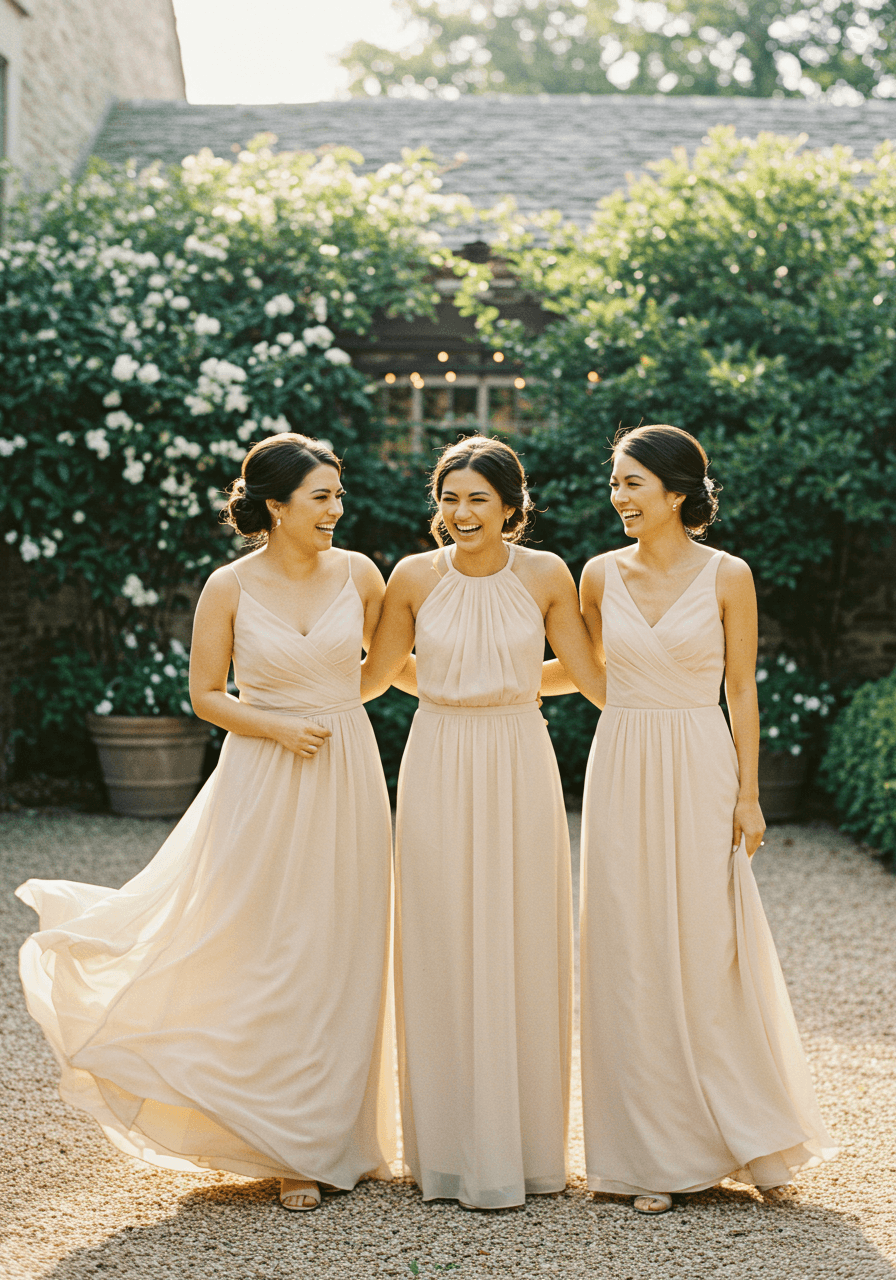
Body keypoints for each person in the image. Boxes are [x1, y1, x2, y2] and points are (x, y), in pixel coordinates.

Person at [17, 432, 405, 1212]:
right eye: (322, 496)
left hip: (347, 771)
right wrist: (278, 727)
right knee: (270, 945)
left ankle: (341, 1137)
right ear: (276, 505)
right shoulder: (228, 586)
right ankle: (289, 1145)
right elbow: (206, 695)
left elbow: (388, 669)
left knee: (344, 944)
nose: (338, 508)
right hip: (263, 775)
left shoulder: (362, 574)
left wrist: (491, 693)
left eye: (336, 494)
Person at [544, 423, 835, 1213]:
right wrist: (474, 677)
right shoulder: (597, 575)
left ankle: (735, 1130)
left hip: (701, 759)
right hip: (623, 758)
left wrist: (748, 793)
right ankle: (650, 1155)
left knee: (708, 943)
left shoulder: (728, 574)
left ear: (676, 491)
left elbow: (741, 690)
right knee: (630, 943)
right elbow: (583, 673)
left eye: (632, 483)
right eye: (616, 483)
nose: (619, 497)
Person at [360, 435, 605, 1210]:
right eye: (450, 497)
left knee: (522, 931)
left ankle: (526, 1150)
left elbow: (587, 673)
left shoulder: (545, 574)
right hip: (436, 753)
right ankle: (451, 1152)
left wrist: (504, 683)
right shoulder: (410, 577)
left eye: (478, 499)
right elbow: (379, 673)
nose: (462, 513)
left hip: (518, 754)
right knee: (439, 931)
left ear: (509, 507)